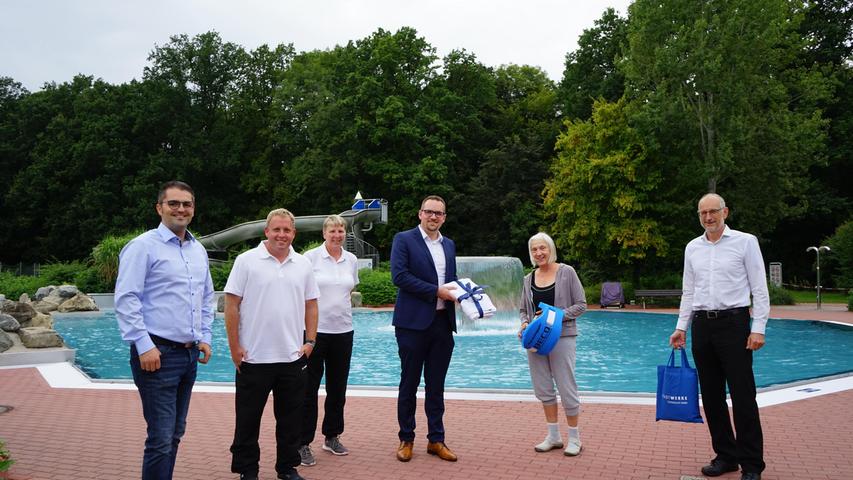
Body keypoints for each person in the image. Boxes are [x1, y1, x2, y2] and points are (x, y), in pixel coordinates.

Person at [115, 180, 215, 480]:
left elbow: (207, 296)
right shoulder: (142, 247)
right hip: (157, 355)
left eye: (187, 204)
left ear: (193, 209)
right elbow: (126, 298)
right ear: (160, 208)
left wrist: (205, 336)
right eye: (174, 203)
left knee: (174, 433)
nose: (180, 209)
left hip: (188, 356)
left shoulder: (198, 250)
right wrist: (143, 345)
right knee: (160, 438)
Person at [669, 193, 769, 480]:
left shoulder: (745, 242)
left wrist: (758, 327)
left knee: (743, 396)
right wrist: (681, 327)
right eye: (703, 213)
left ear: (725, 212)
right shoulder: (692, 248)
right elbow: (689, 291)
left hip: (735, 325)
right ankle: (726, 456)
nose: (709, 217)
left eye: (714, 211)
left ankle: (752, 464)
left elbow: (759, 288)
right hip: (702, 326)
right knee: (712, 397)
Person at [224, 208, 319, 480]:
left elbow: (311, 305)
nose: (281, 234)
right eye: (276, 229)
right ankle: (247, 470)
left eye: (286, 230)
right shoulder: (246, 261)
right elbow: (231, 306)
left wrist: (310, 340)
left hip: (292, 357)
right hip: (253, 358)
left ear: (294, 233)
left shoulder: (303, 264)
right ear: (266, 231)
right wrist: (234, 347)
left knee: (290, 420)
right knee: (247, 420)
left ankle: (287, 468)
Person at [391, 195, 459, 463]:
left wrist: (467, 295)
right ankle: (406, 439)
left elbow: (451, 282)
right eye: (429, 212)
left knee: (436, 385)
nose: (434, 217)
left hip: (443, 325)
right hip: (412, 325)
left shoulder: (449, 244)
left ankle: (436, 440)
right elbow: (400, 277)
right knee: (409, 384)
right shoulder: (404, 239)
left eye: (439, 213)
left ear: (444, 217)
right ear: (420, 214)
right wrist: (436, 291)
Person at [298, 215, 360, 466]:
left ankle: (331, 436)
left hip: (344, 331)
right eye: (333, 231)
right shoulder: (309, 259)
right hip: (314, 333)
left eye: (341, 231)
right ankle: (302, 443)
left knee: (338, 388)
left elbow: (348, 290)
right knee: (307, 390)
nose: (337, 235)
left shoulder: (351, 260)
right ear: (324, 233)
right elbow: (300, 294)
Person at [518, 232, 587, 457]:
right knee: (543, 388)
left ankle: (575, 438)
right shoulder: (529, 279)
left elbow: (581, 305)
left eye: (542, 248)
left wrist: (554, 316)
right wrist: (525, 323)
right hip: (535, 339)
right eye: (534, 249)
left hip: (562, 337)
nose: (539, 253)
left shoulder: (567, 272)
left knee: (567, 387)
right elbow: (522, 310)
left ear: (550, 249)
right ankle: (554, 436)